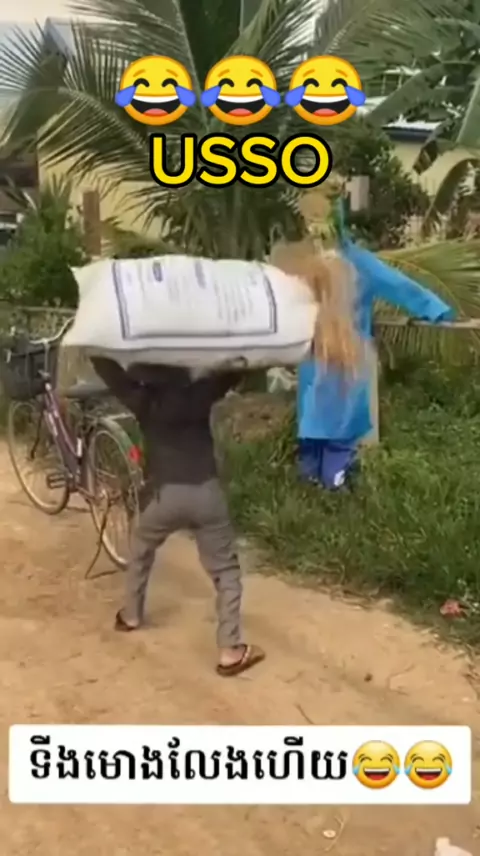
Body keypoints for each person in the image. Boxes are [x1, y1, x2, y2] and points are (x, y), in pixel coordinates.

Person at [91, 357, 265, 677]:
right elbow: (235, 370)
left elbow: (112, 374)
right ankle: (229, 650)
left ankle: (131, 615)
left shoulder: (143, 400)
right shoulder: (201, 392)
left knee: (141, 548)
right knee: (226, 572)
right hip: (206, 495)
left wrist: (94, 349)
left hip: (165, 498)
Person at [297, 237, 455, 489]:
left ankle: (308, 485)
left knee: (314, 424)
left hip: (312, 356)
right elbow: (398, 285)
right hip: (347, 356)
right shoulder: (357, 261)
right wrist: (436, 309)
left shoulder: (306, 261)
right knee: (343, 425)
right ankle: (334, 486)